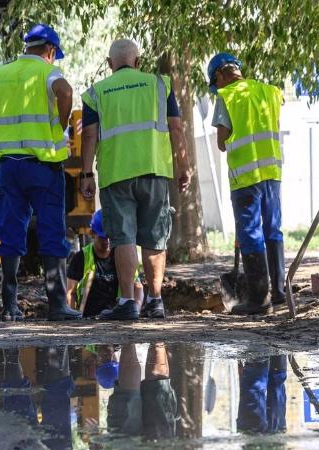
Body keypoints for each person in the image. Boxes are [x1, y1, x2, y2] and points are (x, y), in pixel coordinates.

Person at [0, 24, 81, 321]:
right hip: (43, 167)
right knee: (52, 230)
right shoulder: (46, 72)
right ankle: (57, 305)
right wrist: (60, 126)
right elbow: (65, 92)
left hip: (10, 168)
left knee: (11, 231)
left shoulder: (2, 73)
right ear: (50, 51)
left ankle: (10, 306)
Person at [80, 38, 191, 321]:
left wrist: (86, 173)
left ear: (109, 64)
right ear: (138, 62)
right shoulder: (159, 84)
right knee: (154, 236)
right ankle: (155, 301)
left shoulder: (97, 92)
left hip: (116, 174)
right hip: (154, 171)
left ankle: (128, 301)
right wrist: (183, 166)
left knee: (124, 237)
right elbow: (176, 128)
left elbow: (89, 134)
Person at [208, 53, 285, 315]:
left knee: (251, 232)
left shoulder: (226, 96)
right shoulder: (270, 91)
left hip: (245, 178)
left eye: (214, 83)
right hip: (272, 173)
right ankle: (279, 293)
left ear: (219, 75)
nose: (216, 88)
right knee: (273, 229)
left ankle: (258, 300)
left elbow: (222, 141)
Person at [65, 209, 144, 317]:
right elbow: (70, 293)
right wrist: (73, 317)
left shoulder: (122, 256)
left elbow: (138, 287)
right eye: (102, 237)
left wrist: (136, 310)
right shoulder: (81, 258)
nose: (107, 241)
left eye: (109, 237)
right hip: (88, 317)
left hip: (116, 317)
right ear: (93, 233)